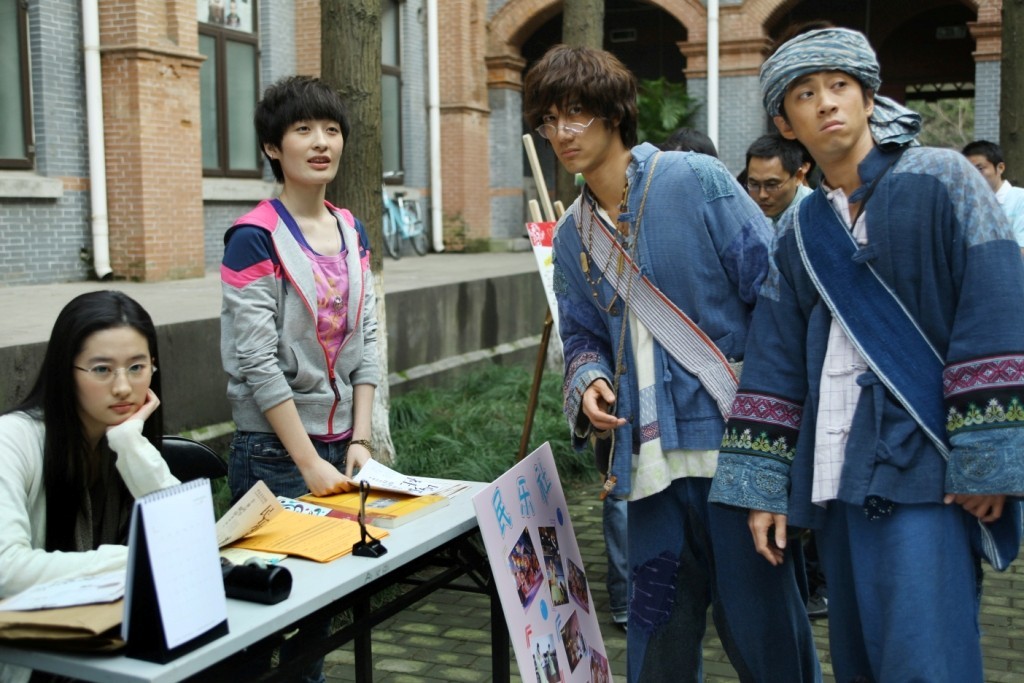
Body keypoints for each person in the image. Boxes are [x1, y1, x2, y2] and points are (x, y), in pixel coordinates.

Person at [709, 27, 1024, 683]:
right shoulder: (799, 228)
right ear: (784, 122)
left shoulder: (944, 178)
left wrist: (988, 456)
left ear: (869, 97)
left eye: (840, 85)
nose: (826, 102)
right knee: (857, 662)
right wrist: (763, 485)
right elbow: (773, 360)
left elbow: (995, 307)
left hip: (928, 468)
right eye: (804, 93)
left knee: (926, 662)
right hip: (835, 474)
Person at [523, 44, 819, 683]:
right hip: (649, 469)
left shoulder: (696, 180)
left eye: (576, 113)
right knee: (657, 642)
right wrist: (588, 379)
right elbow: (580, 333)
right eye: (548, 120)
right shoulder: (572, 235)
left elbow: (775, 300)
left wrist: (778, 442)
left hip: (736, 456)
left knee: (767, 636)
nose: (562, 133)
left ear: (614, 113)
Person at [220, 75, 380, 683]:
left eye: (332, 130)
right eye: (303, 129)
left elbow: (367, 338)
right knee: (259, 623)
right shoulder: (253, 237)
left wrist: (360, 438)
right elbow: (257, 361)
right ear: (273, 147)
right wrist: (308, 462)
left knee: (318, 622)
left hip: (340, 449)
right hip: (275, 453)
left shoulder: (351, 229)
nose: (321, 143)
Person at [0, 290, 179, 683]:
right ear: (65, 371)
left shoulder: (122, 441)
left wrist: (132, 444)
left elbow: (185, 541)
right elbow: (7, 570)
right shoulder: (11, 441)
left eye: (137, 367)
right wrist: (136, 563)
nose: (123, 387)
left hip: (106, 649)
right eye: (102, 369)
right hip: (31, 661)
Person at [962, 139, 1024, 254]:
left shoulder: (1020, 199)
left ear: (1000, 168)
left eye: (980, 169)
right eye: (968, 170)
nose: (973, 175)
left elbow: (1021, 250)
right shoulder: (967, 204)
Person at [744, 132, 813, 228]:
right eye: (754, 184)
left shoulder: (814, 217)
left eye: (771, 185)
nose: (762, 195)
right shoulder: (749, 214)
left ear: (798, 176)